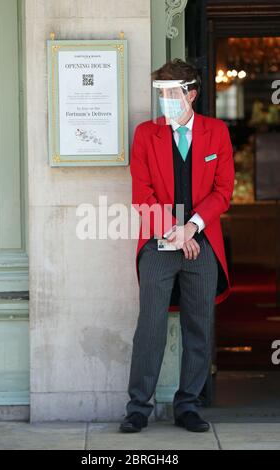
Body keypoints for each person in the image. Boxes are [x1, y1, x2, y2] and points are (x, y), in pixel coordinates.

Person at [119, 58, 235, 433]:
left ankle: (188, 405)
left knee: (198, 327)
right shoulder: (145, 134)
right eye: (162, 94)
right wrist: (174, 232)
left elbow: (223, 192)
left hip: (203, 245)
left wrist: (192, 228)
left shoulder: (216, 133)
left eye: (172, 93)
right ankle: (139, 407)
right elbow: (142, 194)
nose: (165, 100)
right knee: (150, 325)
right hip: (158, 243)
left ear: (192, 94)